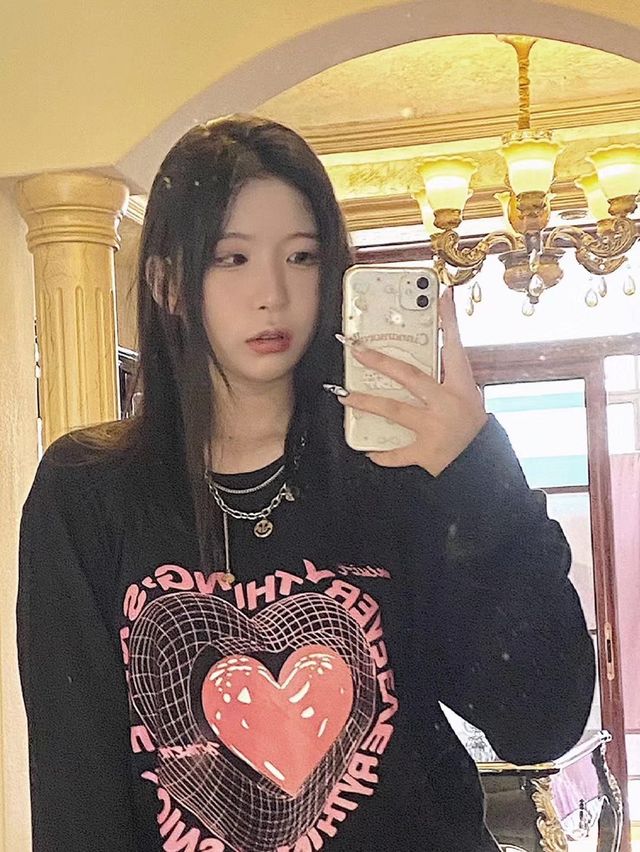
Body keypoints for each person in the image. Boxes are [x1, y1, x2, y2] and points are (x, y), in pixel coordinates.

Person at [17, 114, 595, 852]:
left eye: (301, 256)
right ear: (167, 283)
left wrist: (480, 470)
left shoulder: (399, 473)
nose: (272, 293)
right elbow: (77, 783)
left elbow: (540, 720)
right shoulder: (89, 492)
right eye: (231, 258)